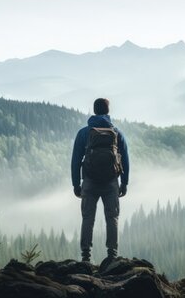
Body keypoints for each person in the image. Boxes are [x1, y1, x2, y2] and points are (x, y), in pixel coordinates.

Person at [71, 98, 130, 263]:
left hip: (90, 181)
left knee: (88, 218)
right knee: (112, 218)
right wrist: (124, 182)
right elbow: (125, 160)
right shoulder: (117, 133)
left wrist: (76, 184)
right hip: (111, 182)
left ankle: (86, 256)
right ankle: (112, 255)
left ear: (94, 110)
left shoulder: (84, 133)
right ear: (108, 111)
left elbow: (76, 160)